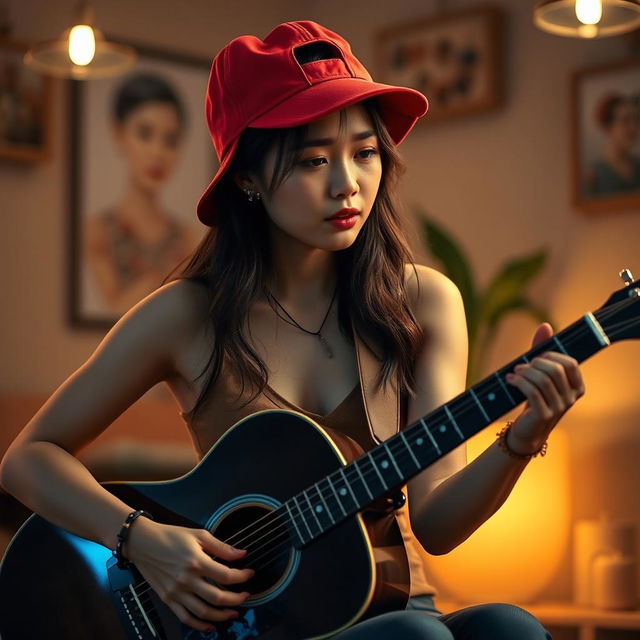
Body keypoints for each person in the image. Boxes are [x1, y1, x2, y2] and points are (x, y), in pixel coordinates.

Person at [0, 20, 585, 639]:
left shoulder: (426, 303)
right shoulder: (186, 315)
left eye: (364, 153)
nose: (347, 184)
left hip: (392, 609)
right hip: (255, 626)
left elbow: (437, 524)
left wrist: (523, 438)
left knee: (510, 630)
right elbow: (26, 460)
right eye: (312, 160)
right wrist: (142, 541)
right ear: (247, 177)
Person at [83, 72, 201, 315]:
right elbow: (115, 310)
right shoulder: (98, 232)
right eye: (145, 134)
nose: (158, 152)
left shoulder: (190, 239)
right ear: (118, 133)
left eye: (170, 140)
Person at [584, 92, 640, 197]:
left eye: (636, 120)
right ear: (608, 126)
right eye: (625, 120)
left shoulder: (638, 165)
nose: (634, 127)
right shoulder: (593, 174)